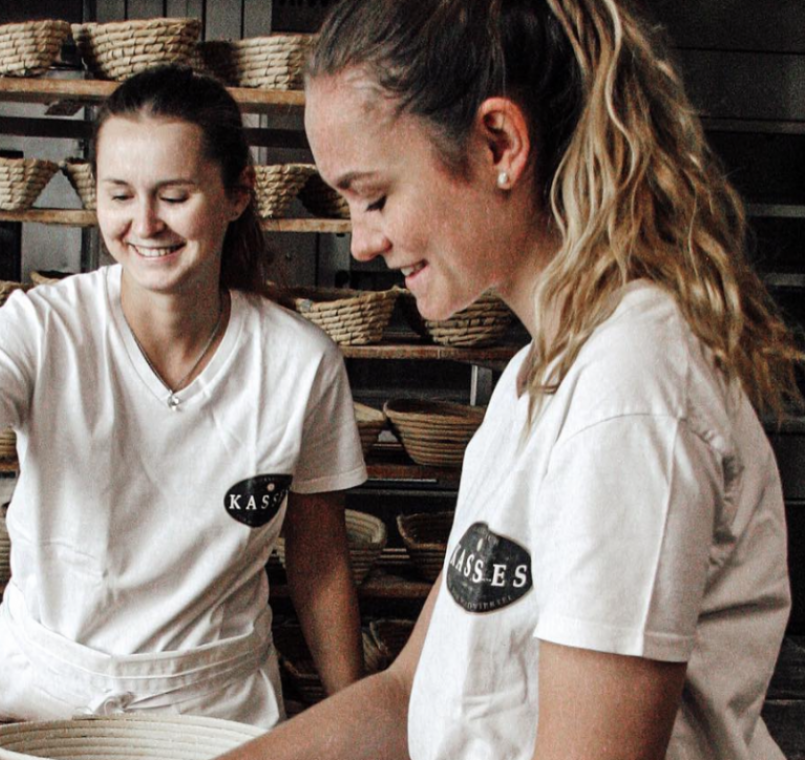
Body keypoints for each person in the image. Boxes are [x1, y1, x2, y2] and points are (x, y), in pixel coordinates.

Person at [216, 0, 803, 758]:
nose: (361, 241)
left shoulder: (629, 392)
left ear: (499, 142)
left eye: (376, 196)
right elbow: (404, 699)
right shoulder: (538, 376)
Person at [0, 64, 368, 728]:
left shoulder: (299, 365)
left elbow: (319, 563)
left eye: (174, 195)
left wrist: (353, 718)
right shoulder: (42, 328)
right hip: (37, 696)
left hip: (210, 709)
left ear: (237, 193)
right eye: (120, 195)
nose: (145, 223)